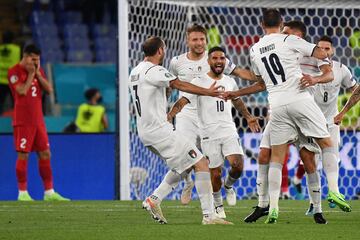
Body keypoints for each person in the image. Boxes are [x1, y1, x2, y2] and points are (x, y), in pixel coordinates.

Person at [237, 9, 338, 224]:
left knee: (307, 159)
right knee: (265, 154)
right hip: (288, 108)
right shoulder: (289, 43)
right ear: (281, 25)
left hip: (288, 106)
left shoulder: (258, 48)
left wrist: (317, 77)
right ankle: (265, 205)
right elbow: (261, 81)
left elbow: (329, 73)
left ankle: (317, 209)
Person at [128, 36, 232, 225]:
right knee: (201, 163)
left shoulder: (135, 71)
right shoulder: (155, 70)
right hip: (160, 130)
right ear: (160, 50)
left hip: (145, 132)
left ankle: (154, 199)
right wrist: (208, 92)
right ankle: (209, 216)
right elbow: (179, 84)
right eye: (164, 48)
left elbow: (157, 92)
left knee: (184, 165)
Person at [156, 24, 257, 206]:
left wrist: (260, 78)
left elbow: (239, 72)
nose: (199, 43)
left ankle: (220, 194)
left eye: (202, 39)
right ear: (187, 41)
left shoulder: (214, 59)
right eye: (195, 39)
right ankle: (188, 183)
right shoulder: (176, 62)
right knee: (183, 156)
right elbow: (170, 87)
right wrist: (166, 110)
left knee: (217, 164)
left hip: (211, 117)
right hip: (186, 113)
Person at [8, 44, 69, 201]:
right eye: (33, 59)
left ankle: (49, 192)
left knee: (45, 153)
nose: (35, 63)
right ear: (25, 56)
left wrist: (38, 75)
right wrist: (30, 75)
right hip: (23, 121)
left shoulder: (38, 71)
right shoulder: (13, 71)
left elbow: (49, 90)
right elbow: (21, 91)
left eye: (37, 59)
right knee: (23, 155)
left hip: (38, 121)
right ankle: (22, 193)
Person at [0, 30, 20, 115]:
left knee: (0, 103)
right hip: (13, 80)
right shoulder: (17, 49)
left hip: (1, 80)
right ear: (13, 39)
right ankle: (17, 118)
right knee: (16, 102)